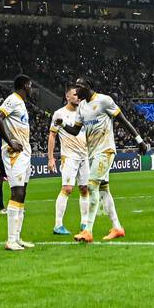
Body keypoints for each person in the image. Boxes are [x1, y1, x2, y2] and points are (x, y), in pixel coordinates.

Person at [72, 78, 149, 243]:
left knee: (91, 186)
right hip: (92, 153)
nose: (76, 91)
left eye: (79, 87)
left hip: (105, 150)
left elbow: (122, 119)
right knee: (104, 190)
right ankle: (117, 227)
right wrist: (61, 125)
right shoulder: (81, 107)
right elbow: (75, 130)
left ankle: (87, 230)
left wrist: (139, 140)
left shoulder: (104, 100)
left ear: (88, 87)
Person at [0, 75, 37, 250]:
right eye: (30, 85)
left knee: (22, 194)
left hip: (24, 152)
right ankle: (10, 240)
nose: (31, 89)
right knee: (16, 192)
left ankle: (17, 238)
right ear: (25, 85)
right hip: (14, 154)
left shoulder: (21, 103)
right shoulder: (12, 100)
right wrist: (10, 142)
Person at [47, 86, 90, 235]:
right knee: (67, 189)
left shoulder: (83, 112)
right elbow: (52, 135)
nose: (78, 97)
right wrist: (51, 158)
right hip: (69, 156)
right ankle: (58, 225)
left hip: (84, 155)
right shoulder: (59, 113)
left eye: (79, 95)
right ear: (67, 97)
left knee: (84, 189)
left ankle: (85, 223)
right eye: (74, 94)